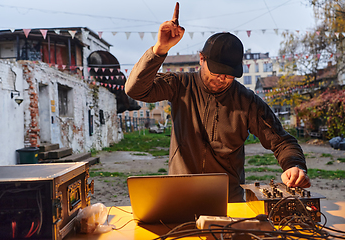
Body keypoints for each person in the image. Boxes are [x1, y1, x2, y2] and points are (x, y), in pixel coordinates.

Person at [125, 2, 311, 202]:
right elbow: (135, 89)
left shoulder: (247, 101)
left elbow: (282, 141)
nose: (222, 78)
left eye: (229, 74)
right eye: (217, 71)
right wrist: (160, 49)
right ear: (201, 59)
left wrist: (294, 166)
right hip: (181, 194)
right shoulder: (179, 84)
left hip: (228, 199)